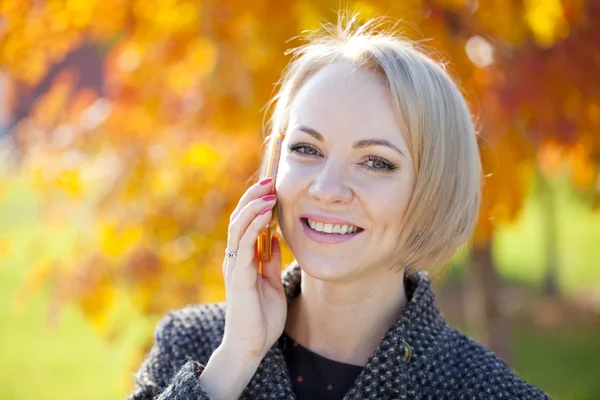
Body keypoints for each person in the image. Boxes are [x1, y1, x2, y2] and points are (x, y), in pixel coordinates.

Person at [127, 14, 549, 400]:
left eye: (376, 162)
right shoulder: (190, 344)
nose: (327, 189)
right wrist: (235, 360)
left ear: (435, 188)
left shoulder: (489, 392)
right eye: (307, 149)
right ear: (273, 167)